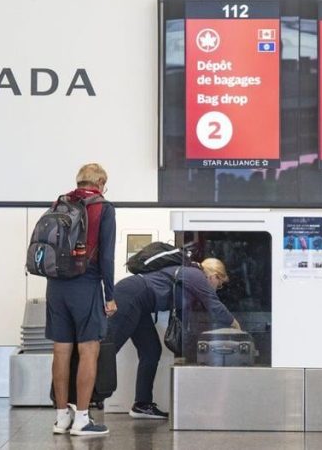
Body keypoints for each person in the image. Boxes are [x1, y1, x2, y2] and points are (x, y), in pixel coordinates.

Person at [106, 257, 239, 420]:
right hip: (131, 295)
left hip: (140, 303)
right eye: (220, 284)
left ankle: (142, 404)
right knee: (107, 350)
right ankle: (81, 404)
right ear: (214, 276)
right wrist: (235, 325)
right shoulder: (196, 275)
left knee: (151, 351)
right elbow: (214, 304)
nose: (218, 288)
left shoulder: (190, 276)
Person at [47, 163, 117, 437]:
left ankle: (61, 417)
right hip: (85, 284)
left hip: (55, 285)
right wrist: (109, 296)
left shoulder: (59, 202)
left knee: (61, 350)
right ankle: (83, 419)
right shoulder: (103, 207)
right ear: (100, 182)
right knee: (89, 349)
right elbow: (107, 257)